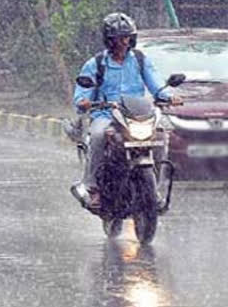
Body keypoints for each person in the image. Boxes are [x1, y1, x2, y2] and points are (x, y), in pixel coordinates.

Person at [72, 12, 181, 208]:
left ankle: (154, 187)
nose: (125, 42)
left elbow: (155, 84)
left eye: (128, 37)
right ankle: (93, 188)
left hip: (136, 115)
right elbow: (82, 94)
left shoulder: (139, 60)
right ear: (109, 41)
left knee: (160, 134)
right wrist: (84, 102)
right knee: (97, 135)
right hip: (106, 115)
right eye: (120, 38)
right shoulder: (95, 64)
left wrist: (168, 96)